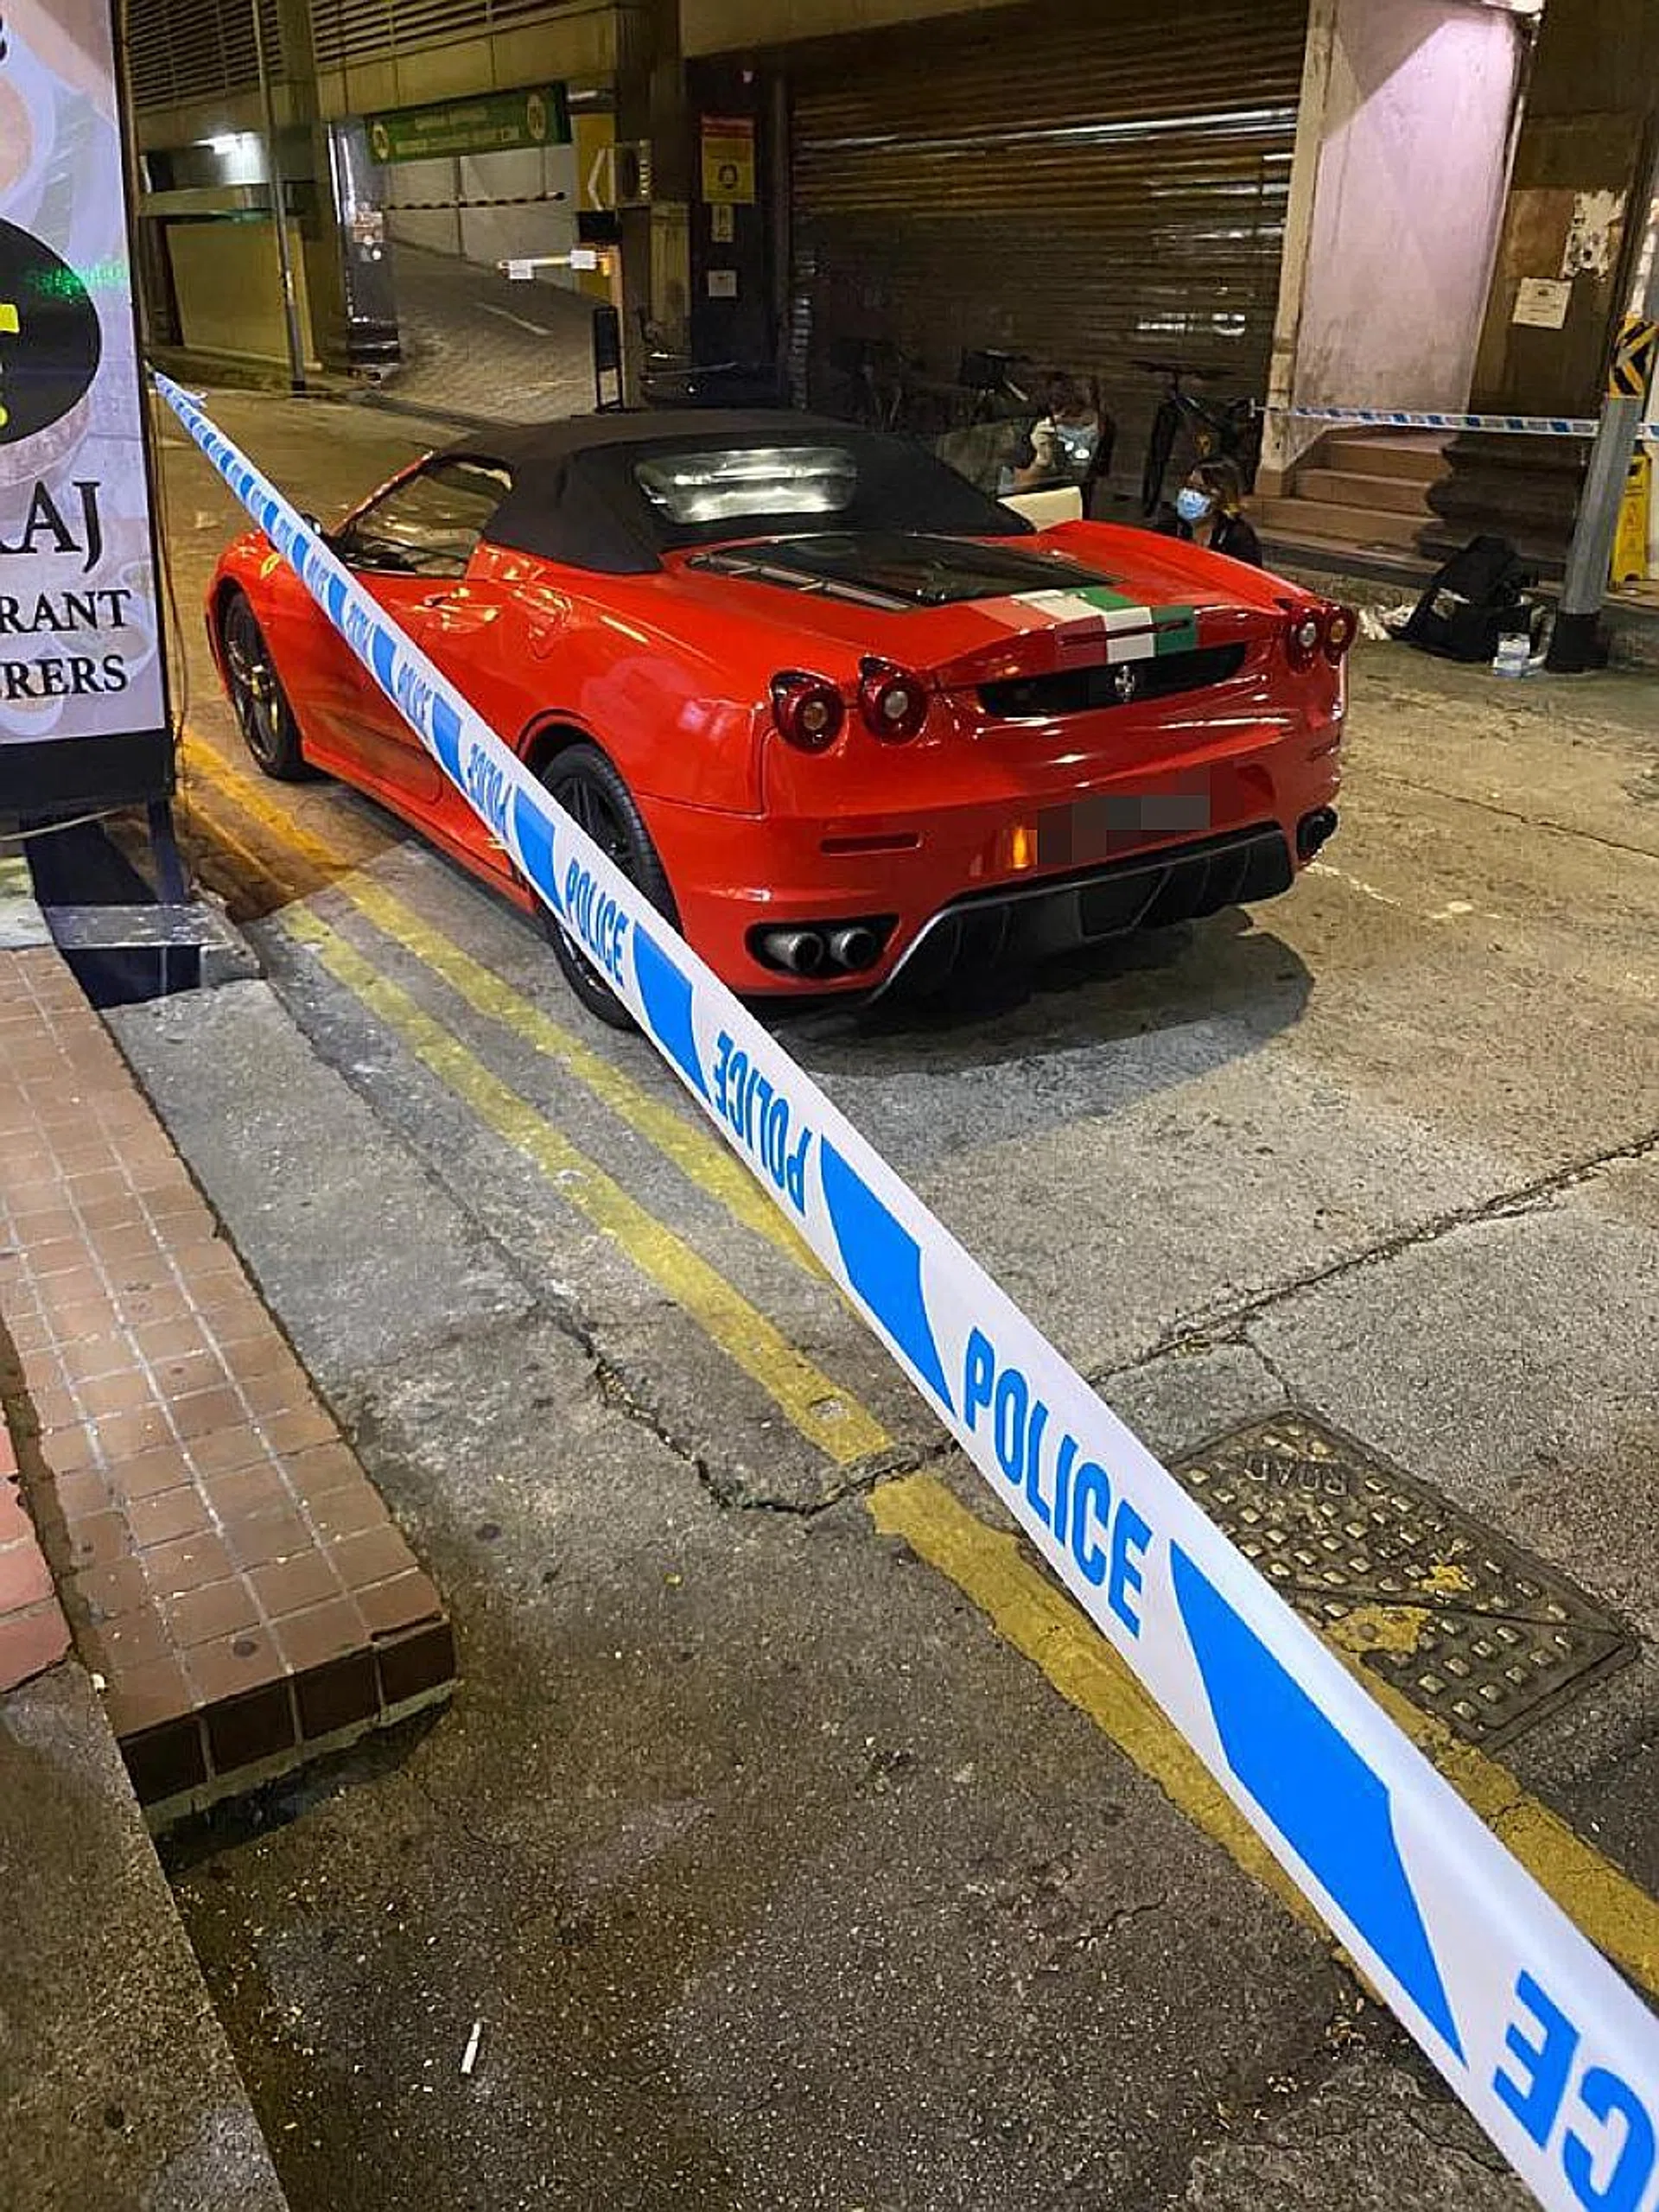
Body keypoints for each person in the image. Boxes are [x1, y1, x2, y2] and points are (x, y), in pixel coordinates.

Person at [1007, 374, 1104, 493]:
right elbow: (1018, 488)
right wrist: (1041, 462)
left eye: (1075, 415)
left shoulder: (1104, 427)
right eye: (1073, 416)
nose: (1059, 419)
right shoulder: (1033, 431)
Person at [1173, 459, 1262, 566]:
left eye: (1202, 491)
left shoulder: (1238, 536)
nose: (1190, 495)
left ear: (1222, 497)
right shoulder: (1170, 525)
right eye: (1189, 487)